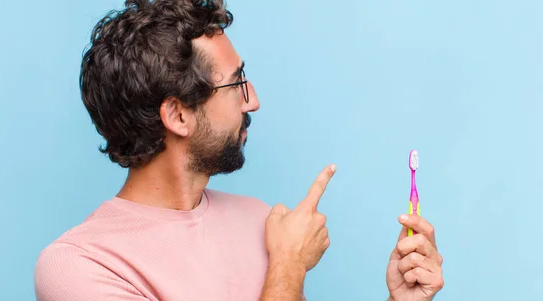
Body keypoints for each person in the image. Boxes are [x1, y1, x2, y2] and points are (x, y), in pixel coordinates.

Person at [33, 0, 444, 300]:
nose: (253, 101)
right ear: (177, 115)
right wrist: (288, 266)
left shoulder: (257, 220)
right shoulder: (80, 266)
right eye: (236, 83)